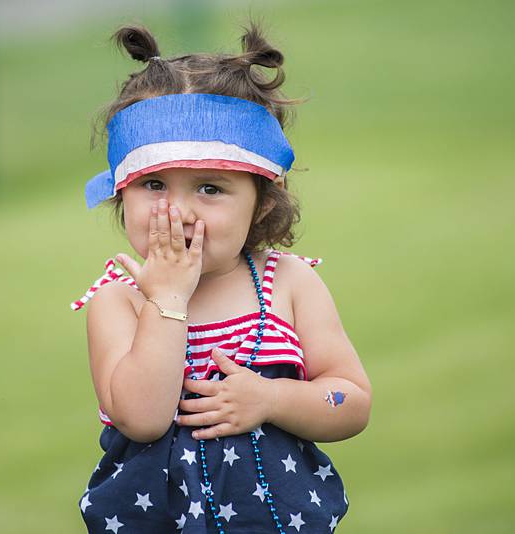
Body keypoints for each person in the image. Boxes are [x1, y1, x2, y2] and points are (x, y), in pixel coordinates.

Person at [70, 21, 372, 534]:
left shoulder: (288, 283)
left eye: (209, 188)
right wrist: (166, 298)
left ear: (261, 203)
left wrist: (274, 399)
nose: (179, 210)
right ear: (122, 194)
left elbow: (351, 402)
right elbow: (142, 418)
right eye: (155, 184)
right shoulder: (118, 302)